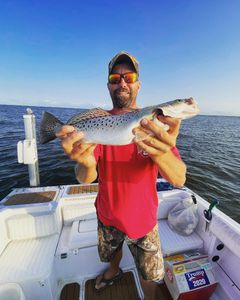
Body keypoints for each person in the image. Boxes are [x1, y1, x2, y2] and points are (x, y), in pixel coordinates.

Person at [57, 51, 186, 300]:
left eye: (129, 77)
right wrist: (83, 162)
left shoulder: (155, 126)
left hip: (144, 220)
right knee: (111, 254)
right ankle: (113, 272)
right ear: (108, 85)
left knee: (150, 276)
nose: (122, 82)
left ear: (138, 84)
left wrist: (162, 153)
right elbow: (85, 178)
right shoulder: (99, 124)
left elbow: (179, 179)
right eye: (115, 77)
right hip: (108, 214)